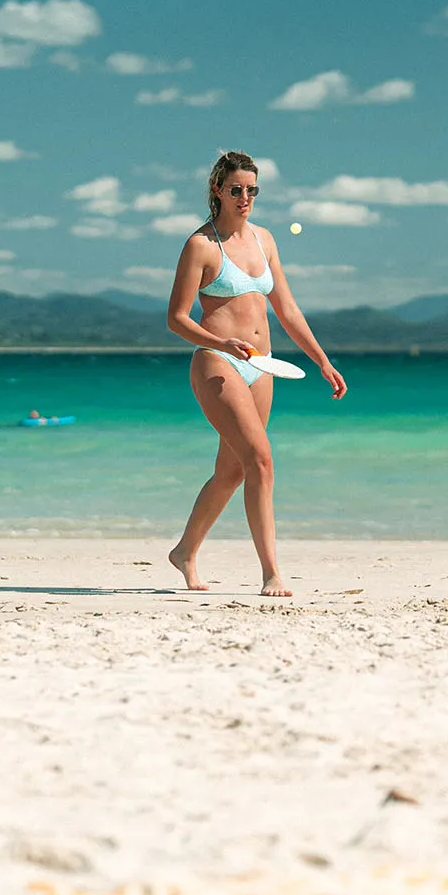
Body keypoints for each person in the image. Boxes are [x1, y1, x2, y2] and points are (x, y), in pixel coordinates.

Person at [164, 150, 346, 596]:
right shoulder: (202, 246)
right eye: (236, 189)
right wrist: (218, 342)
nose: (244, 197)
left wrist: (321, 360)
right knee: (261, 461)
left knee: (233, 471)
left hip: (261, 367)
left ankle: (185, 552)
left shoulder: (265, 240)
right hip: (217, 362)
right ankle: (271, 573)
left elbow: (286, 308)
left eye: (252, 190)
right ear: (217, 191)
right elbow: (176, 318)